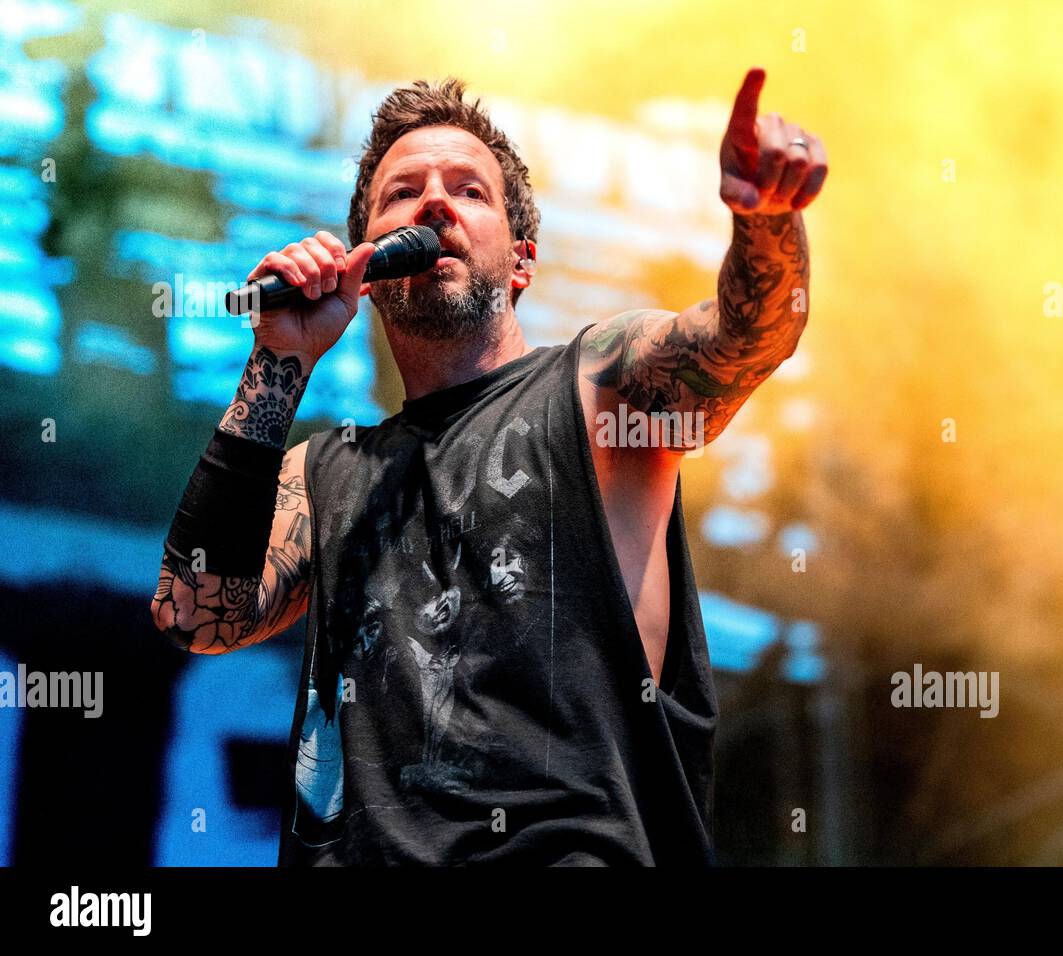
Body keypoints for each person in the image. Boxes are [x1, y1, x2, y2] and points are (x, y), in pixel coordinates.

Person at [151, 67, 828, 865]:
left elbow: (745, 338)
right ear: (366, 268)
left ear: (522, 261)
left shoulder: (595, 390)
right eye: (402, 194)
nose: (434, 203)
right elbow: (194, 616)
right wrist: (278, 360)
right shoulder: (328, 470)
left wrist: (768, 223)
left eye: (468, 191)